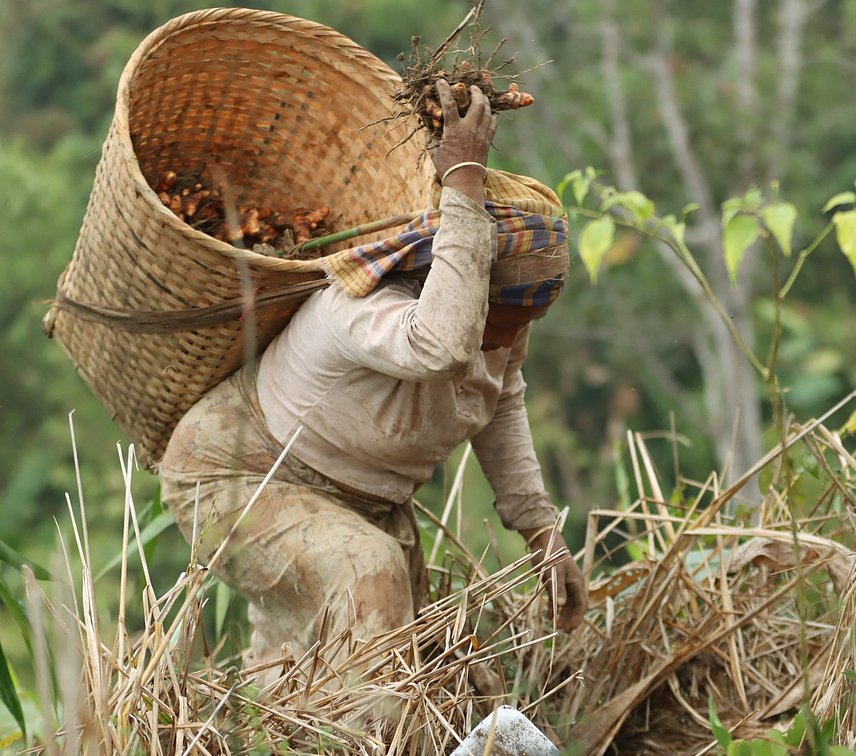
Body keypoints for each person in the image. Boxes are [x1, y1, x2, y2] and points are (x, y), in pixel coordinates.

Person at [158, 78, 587, 673]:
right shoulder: (360, 304)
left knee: (380, 663)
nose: (511, 338)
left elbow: (501, 403)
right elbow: (442, 349)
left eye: (528, 320)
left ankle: (267, 752)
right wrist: (462, 178)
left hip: (365, 503)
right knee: (369, 575)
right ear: (464, 278)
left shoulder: (500, 321)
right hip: (243, 477)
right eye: (506, 317)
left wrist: (543, 532)